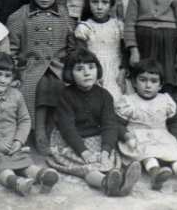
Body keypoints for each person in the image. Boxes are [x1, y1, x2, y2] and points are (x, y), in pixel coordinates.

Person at [47, 48, 140, 197]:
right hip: (71, 141)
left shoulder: (105, 95)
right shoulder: (66, 95)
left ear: (98, 70)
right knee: (86, 167)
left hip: (96, 139)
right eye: (80, 69)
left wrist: (106, 149)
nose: (87, 73)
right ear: (70, 73)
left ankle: (120, 182)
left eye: (91, 67)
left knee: (108, 160)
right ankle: (105, 182)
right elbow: (67, 128)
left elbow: (109, 124)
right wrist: (83, 151)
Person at [0, 52, 60, 196]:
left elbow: (24, 120)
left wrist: (18, 141)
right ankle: (15, 182)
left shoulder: (16, 95)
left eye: (7, 76)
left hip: (11, 144)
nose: (2, 80)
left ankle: (43, 176)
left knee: (23, 162)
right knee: (1, 165)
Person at [7, 0, 72, 154]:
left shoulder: (63, 14)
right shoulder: (20, 16)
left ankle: (52, 130)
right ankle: (39, 131)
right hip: (30, 67)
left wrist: (70, 65)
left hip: (58, 66)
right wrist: (16, 71)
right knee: (41, 84)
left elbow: (72, 45)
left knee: (57, 85)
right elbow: (11, 49)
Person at [116, 59, 177, 191]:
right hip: (137, 137)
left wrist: (175, 136)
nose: (148, 85)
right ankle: (156, 174)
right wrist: (127, 136)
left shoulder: (165, 100)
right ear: (134, 82)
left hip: (161, 136)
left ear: (160, 85)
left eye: (153, 81)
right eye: (143, 80)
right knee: (148, 154)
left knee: (175, 153)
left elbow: (176, 120)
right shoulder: (128, 102)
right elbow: (117, 123)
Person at [74, 0, 126, 100]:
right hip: (93, 70)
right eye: (94, 2)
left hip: (116, 70)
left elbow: (125, 51)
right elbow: (81, 55)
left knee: (118, 99)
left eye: (104, 2)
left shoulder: (118, 26)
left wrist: (123, 71)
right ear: (88, 3)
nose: (99, 7)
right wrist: (93, 75)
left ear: (111, 4)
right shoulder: (84, 27)